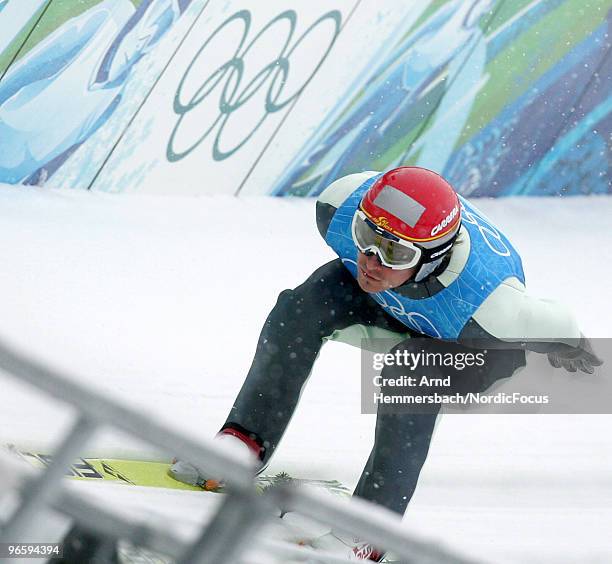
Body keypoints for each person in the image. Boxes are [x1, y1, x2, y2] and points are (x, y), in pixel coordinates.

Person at [169, 167, 602, 561]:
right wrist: (385, 253)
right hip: (396, 306)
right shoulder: (338, 206)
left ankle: (372, 529)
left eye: (392, 254)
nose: (369, 261)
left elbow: (559, 322)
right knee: (298, 309)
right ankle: (246, 440)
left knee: (411, 369)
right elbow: (375, 227)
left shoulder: (495, 308)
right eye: (365, 237)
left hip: (470, 343)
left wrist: (571, 346)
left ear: (432, 258)